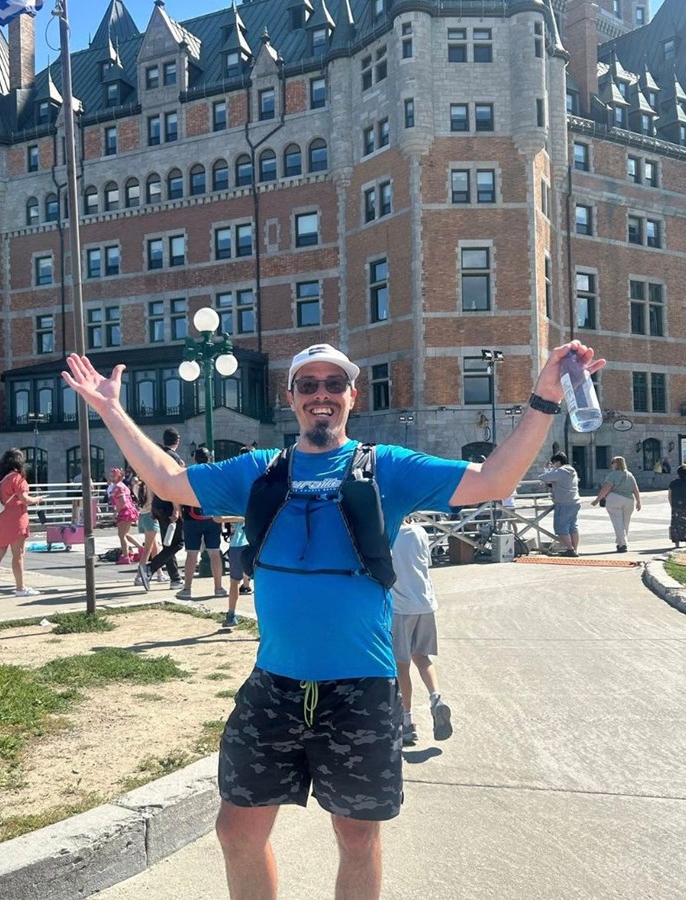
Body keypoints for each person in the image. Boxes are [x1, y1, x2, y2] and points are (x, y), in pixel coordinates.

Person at [62, 339, 601, 900]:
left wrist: (543, 399)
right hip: (274, 686)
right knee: (236, 832)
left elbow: (494, 481)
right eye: (309, 385)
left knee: (357, 839)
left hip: (360, 689)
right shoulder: (260, 470)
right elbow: (168, 481)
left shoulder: (385, 467)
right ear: (290, 396)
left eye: (334, 385)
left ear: (351, 395)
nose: (322, 395)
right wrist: (110, 410)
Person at [391, 519, 451, 746]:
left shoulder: (389, 535)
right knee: (422, 657)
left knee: (401, 665)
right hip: (425, 603)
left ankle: (407, 722)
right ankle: (436, 699)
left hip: (401, 608)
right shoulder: (420, 532)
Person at [0, 449, 44, 599]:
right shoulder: (17, 478)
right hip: (15, 519)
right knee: (18, 554)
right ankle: (20, 588)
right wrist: (38, 499)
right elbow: (25, 499)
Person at [138, 429, 186, 591]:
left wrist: (152, 505)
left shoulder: (156, 457)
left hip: (158, 503)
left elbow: (151, 483)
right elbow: (175, 484)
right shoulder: (174, 458)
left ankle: (175, 578)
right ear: (177, 441)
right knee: (178, 543)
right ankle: (150, 568)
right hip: (169, 504)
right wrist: (176, 508)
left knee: (168, 542)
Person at [178, 447, 224, 601]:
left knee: (192, 554)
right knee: (214, 552)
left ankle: (187, 589)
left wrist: (179, 512)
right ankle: (218, 588)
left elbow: (180, 494)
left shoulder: (188, 472)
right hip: (212, 517)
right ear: (209, 458)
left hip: (191, 518)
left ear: (195, 458)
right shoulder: (216, 472)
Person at [592, 456, 641, 552]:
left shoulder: (612, 475)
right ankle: (620, 543)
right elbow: (635, 489)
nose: (612, 464)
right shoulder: (630, 475)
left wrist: (598, 499)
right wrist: (638, 501)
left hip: (615, 499)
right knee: (625, 523)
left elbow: (606, 488)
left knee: (617, 522)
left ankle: (623, 544)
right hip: (629, 500)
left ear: (617, 464)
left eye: (612, 462)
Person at [540, 452, 581, 556]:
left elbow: (543, 477)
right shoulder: (572, 471)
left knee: (560, 527)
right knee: (573, 527)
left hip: (563, 503)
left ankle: (570, 549)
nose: (553, 465)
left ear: (558, 462)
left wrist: (548, 469)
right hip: (574, 502)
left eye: (553, 463)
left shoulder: (560, 471)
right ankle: (574, 549)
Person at [106, 467, 142, 560]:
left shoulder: (119, 487)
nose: (112, 478)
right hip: (128, 510)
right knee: (125, 534)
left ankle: (126, 556)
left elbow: (122, 502)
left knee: (121, 535)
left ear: (120, 477)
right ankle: (141, 549)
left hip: (125, 511)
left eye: (114, 476)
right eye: (111, 476)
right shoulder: (122, 485)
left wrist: (116, 512)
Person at [223, 518, 251, 628]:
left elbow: (218, 518)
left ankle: (231, 614)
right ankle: (263, 623)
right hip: (254, 543)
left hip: (237, 545)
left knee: (234, 581)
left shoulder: (232, 505)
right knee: (259, 581)